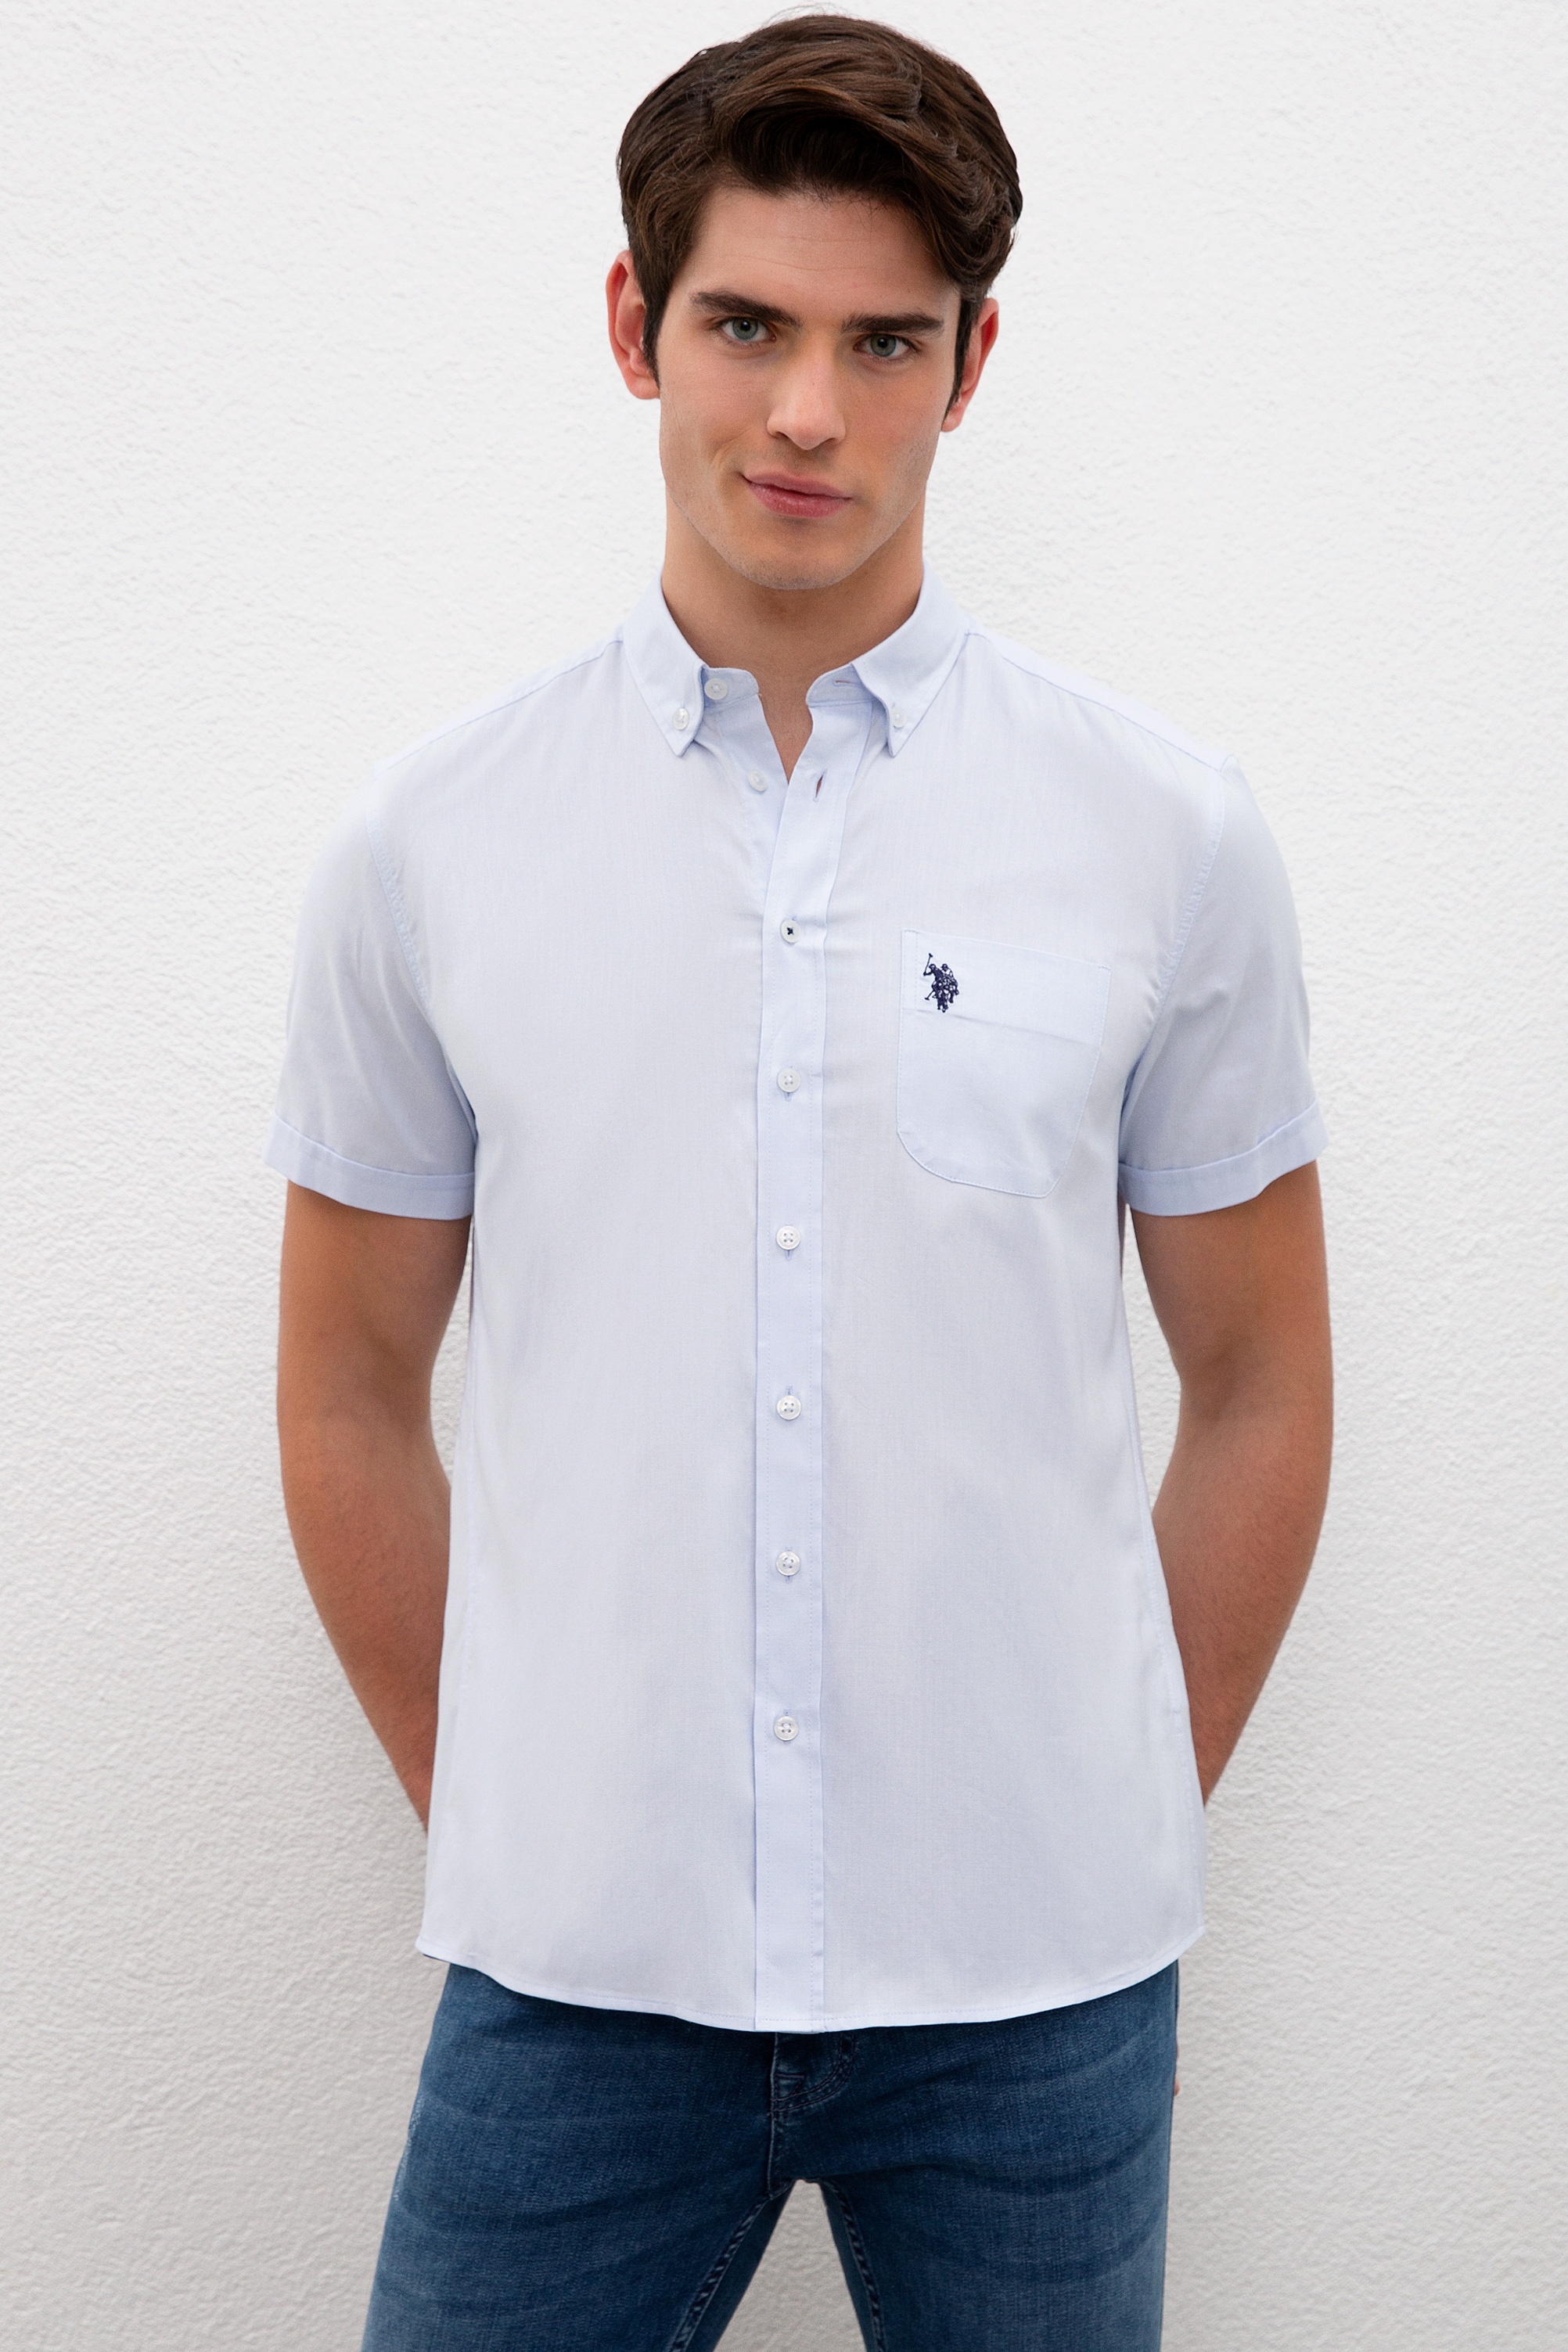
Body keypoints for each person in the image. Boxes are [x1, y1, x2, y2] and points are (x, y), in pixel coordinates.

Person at [268, 16, 1332, 2347]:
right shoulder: (432, 844)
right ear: (635, 324)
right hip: (579, 1974)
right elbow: (344, 1392)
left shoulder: (1163, 834)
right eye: (746, 325)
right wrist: (508, 1807)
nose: (809, 415)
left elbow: (1260, 1383)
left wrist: (1118, 1808)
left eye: (886, 343)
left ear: (971, 364)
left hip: (1038, 1993)